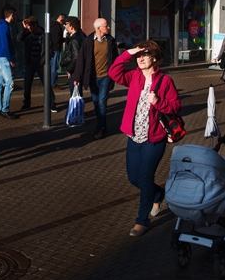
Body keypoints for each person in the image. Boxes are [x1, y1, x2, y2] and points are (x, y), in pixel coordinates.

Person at [108, 41, 181, 237]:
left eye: (145, 55)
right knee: (134, 178)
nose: (140, 59)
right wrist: (128, 53)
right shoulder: (133, 77)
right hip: (134, 136)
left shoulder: (165, 81)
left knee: (145, 177)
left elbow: (175, 106)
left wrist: (159, 102)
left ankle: (142, 220)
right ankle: (157, 194)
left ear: (155, 58)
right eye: (138, 56)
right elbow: (113, 72)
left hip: (154, 138)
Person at [73, 18, 119, 139]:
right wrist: (77, 76)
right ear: (98, 28)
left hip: (105, 77)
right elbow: (81, 60)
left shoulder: (110, 41)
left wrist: (118, 73)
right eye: (106, 25)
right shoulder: (88, 41)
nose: (108, 27)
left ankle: (100, 129)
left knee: (102, 103)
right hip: (92, 78)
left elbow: (116, 59)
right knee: (96, 104)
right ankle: (103, 125)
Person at [16, 16, 56, 113]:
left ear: (35, 25)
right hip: (30, 62)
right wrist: (25, 29)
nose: (29, 28)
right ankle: (26, 104)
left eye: (30, 26)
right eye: (28, 26)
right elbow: (18, 39)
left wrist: (45, 61)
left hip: (41, 62)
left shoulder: (44, 34)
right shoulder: (28, 34)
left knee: (46, 83)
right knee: (27, 84)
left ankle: (52, 104)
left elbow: (50, 49)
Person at [0, 5, 18, 119]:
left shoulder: (1, 26)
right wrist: (10, 60)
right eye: (15, 15)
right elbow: (5, 45)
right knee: (10, 83)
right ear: (11, 15)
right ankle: (5, 109)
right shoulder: (4, 28)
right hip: (3, 59)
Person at [60, 17, 86, 84]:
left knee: (75, 91)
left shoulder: (74, 39)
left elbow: (76, 57)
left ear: (71, 26)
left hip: (74, 70)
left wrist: (70, 70)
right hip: (78, 68)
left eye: (66, 24)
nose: (64, 26)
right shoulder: (81, 35)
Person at [50, 13, 67, 90]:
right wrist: (65, 39)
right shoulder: (57, 27)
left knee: (52, 66)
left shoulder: (51, 25)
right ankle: (53, 84)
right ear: (61, 19)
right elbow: (57, 39)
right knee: (54, 67)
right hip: (55, 48)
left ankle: (51, 83)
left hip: (50, 48)